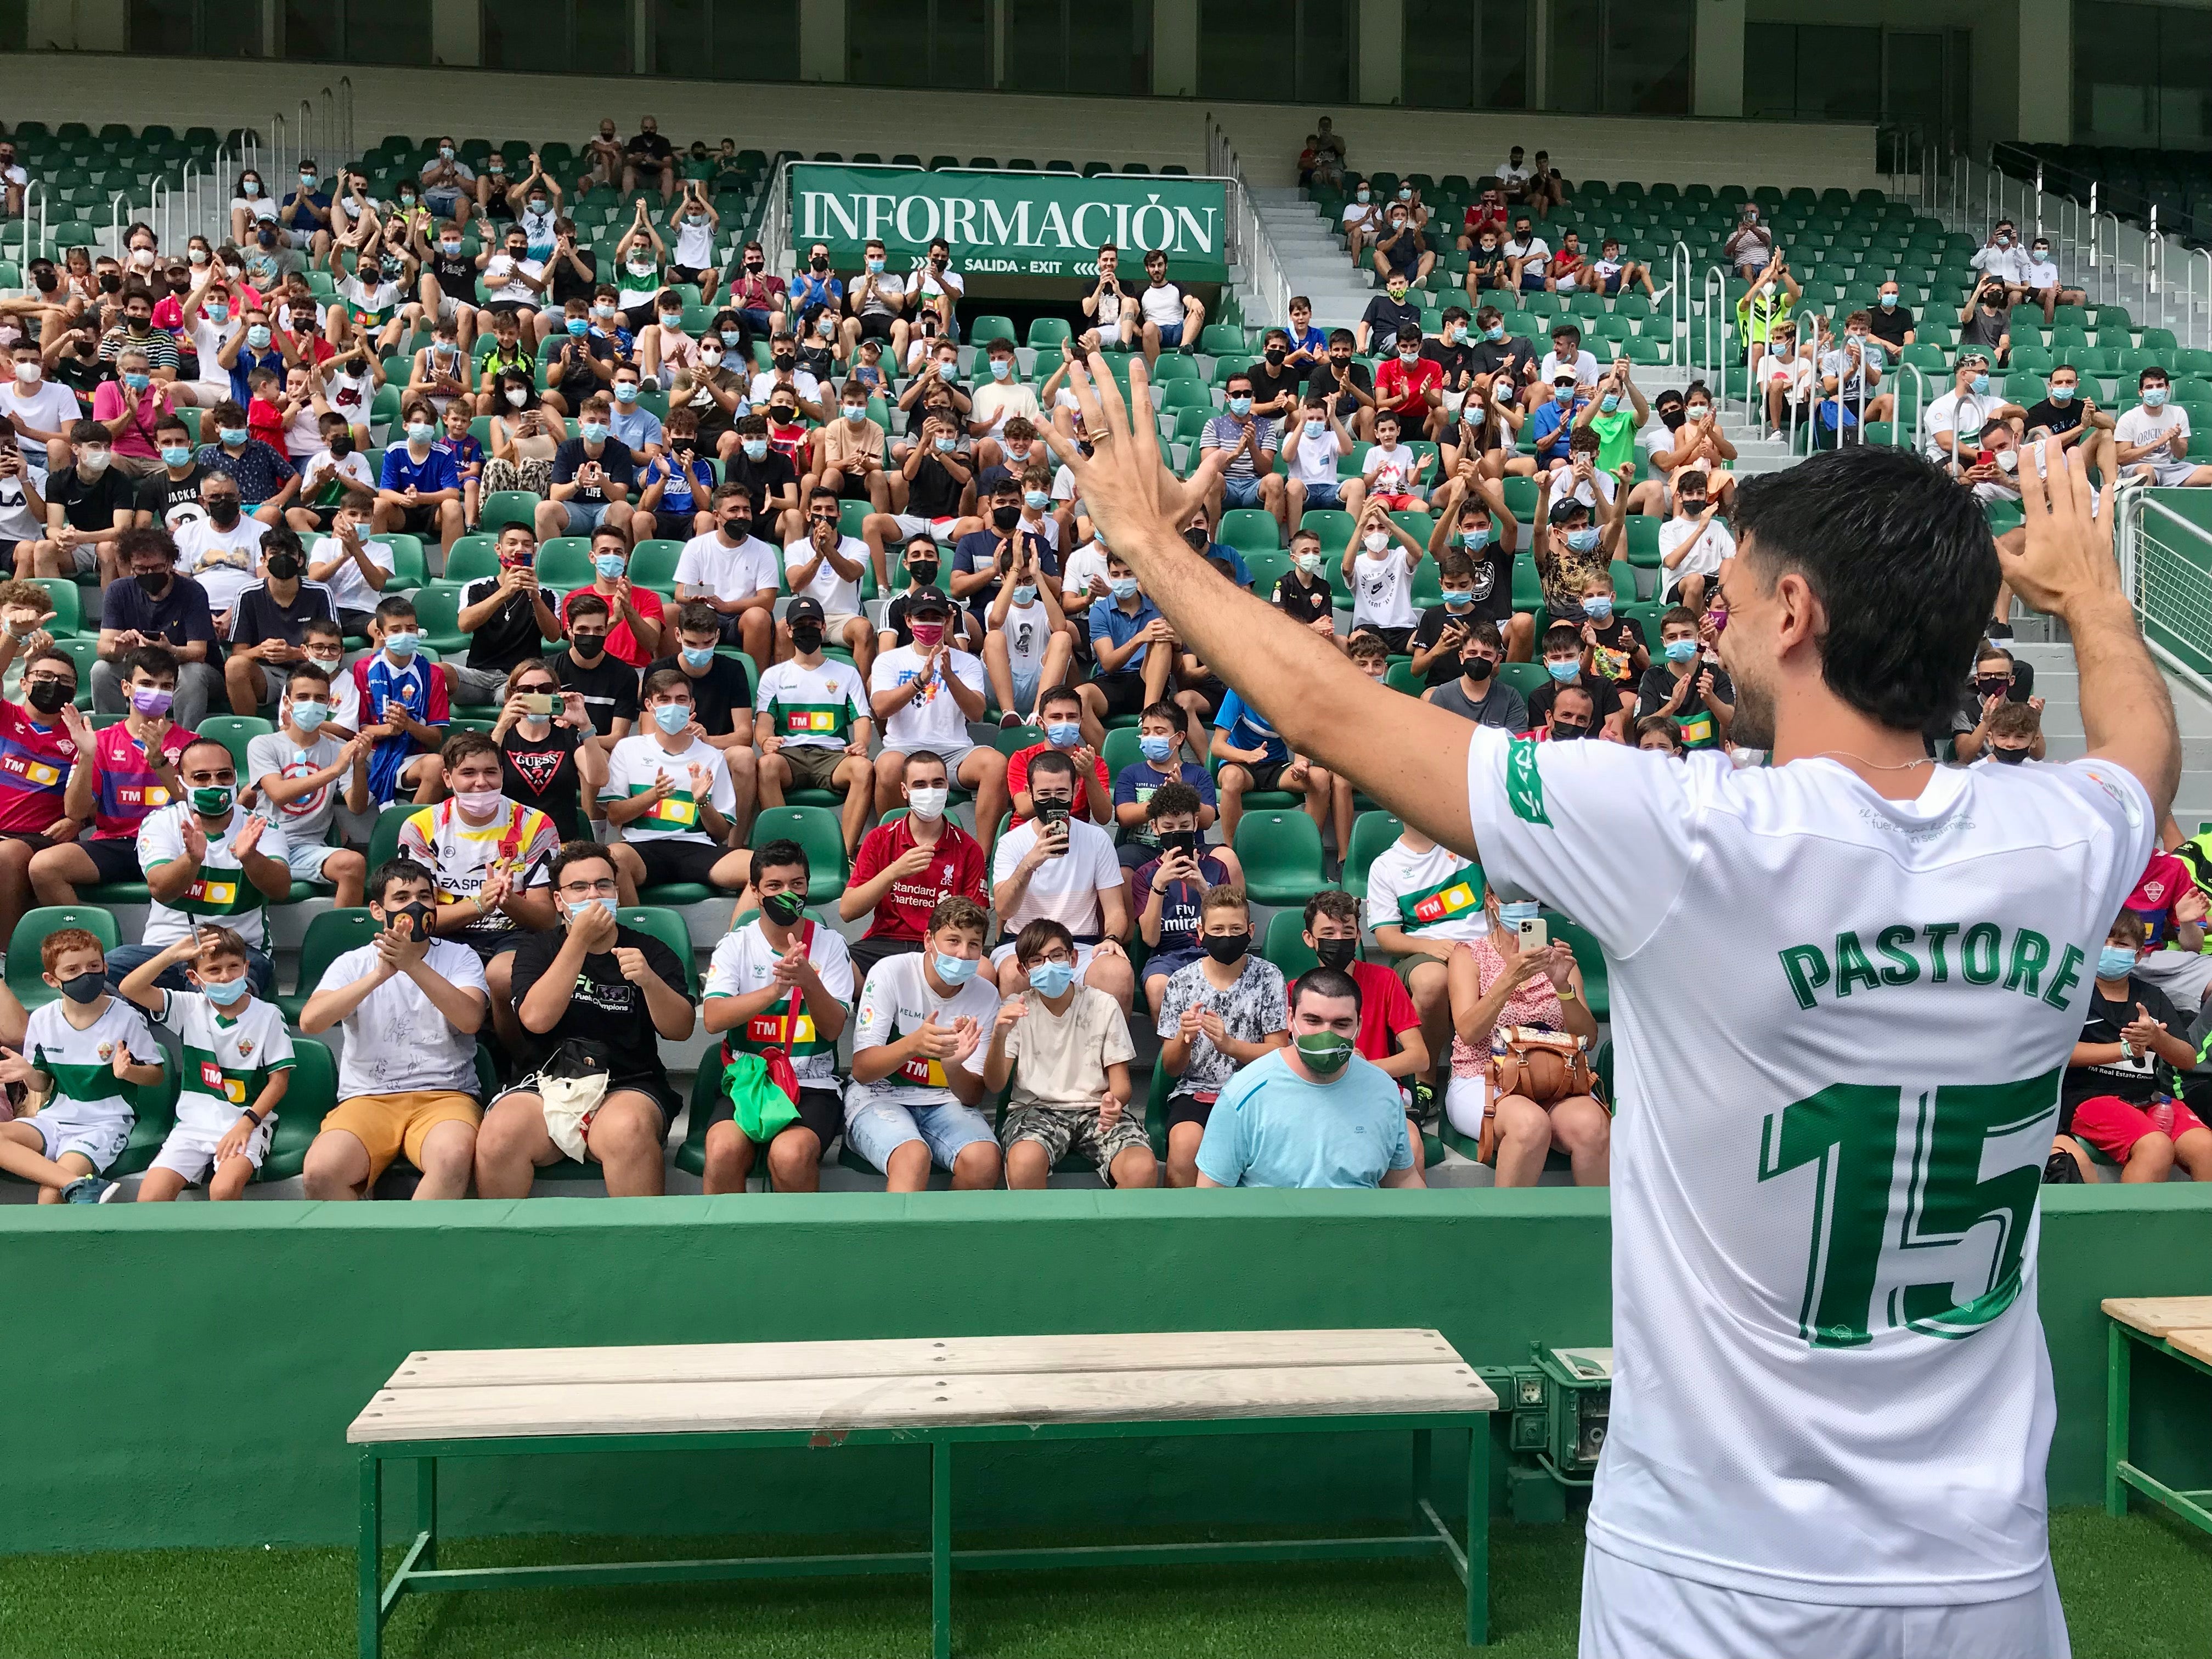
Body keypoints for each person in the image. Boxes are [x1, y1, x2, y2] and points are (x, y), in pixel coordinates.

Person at [1054, 353, 2171, 1654]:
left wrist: (1142, 536)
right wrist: (2096, 602)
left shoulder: (1688, 832)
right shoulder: (2061, 842)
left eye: (1733, 595)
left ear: (1797, 611)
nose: (1714, 619)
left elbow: (1329, 708)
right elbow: (2145, 751)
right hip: (1986, 1589)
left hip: (1714, 1582)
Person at [473, 841, 692, 1198]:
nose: (593, 895)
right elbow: (535, 1020)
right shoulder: (537, 949)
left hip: (627, 1083)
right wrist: (578, 942)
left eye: (603, 885)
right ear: (559, 901)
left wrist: (650, 982)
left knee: (630, 1130)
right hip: (543, 1084)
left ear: (617, 894)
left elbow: (681, 1030)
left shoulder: (650, 950)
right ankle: (503, 1251)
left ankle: (643, 1251)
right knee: (499, 1135)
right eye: (579, 887)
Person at [699, 838, 855, 1194]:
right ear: (755, 892)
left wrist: (808, 983)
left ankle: (797, 1250)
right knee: (722, 1150)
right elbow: (713, 1018)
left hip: (812, 1085)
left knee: (791, 1154)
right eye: (774, 886)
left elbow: (832, 1029)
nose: (788, 893)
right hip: (748, 1081)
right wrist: (775, 991)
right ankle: (725, 1248)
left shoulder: (830, 946)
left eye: (796, 884)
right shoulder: (736, 945)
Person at [1193, 969, 1423, 1191]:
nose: (1326, 1034)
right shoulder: (1243, 1094)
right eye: (1313, 1021)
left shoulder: (1383, 1090)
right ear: (1291, 1019)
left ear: (1359, 1026)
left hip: (1360, 1228)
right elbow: (1211, 1198)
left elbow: (1403, 1181)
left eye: (1341, 1024)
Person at [106, 735, 294, 996]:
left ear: (236, 778)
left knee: (221, 989)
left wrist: (250, 858)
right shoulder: (161, 822)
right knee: (100, 973)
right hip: (168, 949)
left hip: (238, 952)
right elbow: (161, 888)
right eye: (202, 777)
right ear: (182, 783)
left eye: (224, 775)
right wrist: (191, 860)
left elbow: (281, 889)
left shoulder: (261, 826)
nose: (214, 784)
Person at [117, 926, 294, 1203]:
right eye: (214, 970)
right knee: (150, 1198)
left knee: (223, 1191)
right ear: (194, 977)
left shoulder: (268, 1015)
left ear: (247, 969)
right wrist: (172, 954)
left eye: (234, 967)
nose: (226, 977)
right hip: (192, 1126)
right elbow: (130, 987)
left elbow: (279, 1082)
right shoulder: (187, 1006)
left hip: (247, 1122)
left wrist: (247, 1124)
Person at [843, 895, 1002, 1191]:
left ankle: (946, 1238)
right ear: (929, 940)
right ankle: (901, 1239)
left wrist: (953, 1067)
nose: (964, 954)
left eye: (974, 945)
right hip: (878, 1096)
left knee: (984, 1160)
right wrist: (912, 1045)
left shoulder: (986, 995)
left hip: (945, 1101)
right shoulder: (891, 972)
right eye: (953, 941)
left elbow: (972, 1096)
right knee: (912, 1157)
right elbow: (863, 1070)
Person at [985, 917, 1154, 1190]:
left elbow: (1121, 1084)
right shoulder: (1015, 1009)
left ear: (1073, 958)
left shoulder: (1103, 1004)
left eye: (1057, 956)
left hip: (1095, 1109)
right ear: (1023, 969)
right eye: (1037, 960)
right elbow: (995, 1085)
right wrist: (999, 1036)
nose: (1049, 966)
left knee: (1142, 1168)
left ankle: (1110, 1233)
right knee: (1024, 1163)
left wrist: (1115, 1101)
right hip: (1035, 1110)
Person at [0, 928, 163, 1203]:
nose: (86, 975)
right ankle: (81, 1185)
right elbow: (43, 1082)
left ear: (105, 968)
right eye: (73, 970)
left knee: (50, 1196)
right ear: (51, 980)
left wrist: (130, 1072)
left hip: (105, 1124)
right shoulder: (42, 1019)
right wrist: (29, 1074)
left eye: (93, 966)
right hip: (54, 1120)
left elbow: (156, 1075)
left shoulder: (127, 1018)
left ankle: (72, 1190)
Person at [2050, 910, 2205, 1182]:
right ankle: (2126, 1225)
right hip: (2087, 1098)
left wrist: (2158, 1039)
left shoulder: (2152, 996)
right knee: (2156, 1147)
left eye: (2121, 945)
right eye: (2104, 941)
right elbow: (2057, 1053)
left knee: (2207, 1148)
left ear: (2138, 955)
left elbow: (2189, 1059)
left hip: (2149, 1099)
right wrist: (2125, 1049)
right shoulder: (2072, 993)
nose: (2110, 949)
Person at [1155, 885, 1289, 1187]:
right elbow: (1171, 1067)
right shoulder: (1181, 981)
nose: (1226, 936)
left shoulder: (1269, 977)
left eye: (1235, 929)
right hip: (1196, 1091)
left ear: (1250, 931)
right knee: (1184, 1147)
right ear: (1201, 932)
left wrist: (1229, 1045)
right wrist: (1183, 1039)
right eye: (1217, 929)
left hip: (1258, 1091)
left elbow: (1279, 1051)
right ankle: (1182, 1226)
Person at [991, 749, 1133, 1010]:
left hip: (1080, 944)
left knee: (1118, 973)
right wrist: (1029, 863)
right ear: (1030, 792)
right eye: (1044, 795)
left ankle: (1112, 1053)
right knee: (1013, 973)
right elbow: (1004, 908)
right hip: (1024, 943)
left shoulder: (1096, 838)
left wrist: (1111, 938)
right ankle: (1016, 1051)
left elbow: (1115, 911)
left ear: (1075, 790)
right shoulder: (1012, 842)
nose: (1053, 801)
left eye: (1061, 794)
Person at [868, 586, 1008, 848]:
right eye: (922, 618)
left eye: (936, 618)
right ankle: (892, 850)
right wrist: (920, 681)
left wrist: (950, 677)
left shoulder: (966, 662)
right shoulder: (889, 660)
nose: (929, 624)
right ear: (909, 621)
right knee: (887, 768)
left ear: (947, 620)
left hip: (955, 751)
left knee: (996, 763)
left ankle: (984, 856)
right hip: (904, 748)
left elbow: (976, 713)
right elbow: (881, 708)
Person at [841, 748, 992, 981]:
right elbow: (847, 911)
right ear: (905, 791)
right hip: (886, 940)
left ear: (947, 789)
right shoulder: (880, 838)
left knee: (984, 971)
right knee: (836, 966)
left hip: (941, 945)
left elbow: (977, 921)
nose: (930, 792)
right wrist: (893, 872)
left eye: (937, 783)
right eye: (920, 785)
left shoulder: (968, 848)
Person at [603, 669, 750, 895]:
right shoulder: (628, 749)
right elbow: (614, 816)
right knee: (612, 860)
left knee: (762, 868)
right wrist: (653, 795)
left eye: (681, 700)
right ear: (650, 706)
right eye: (664, 699)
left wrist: (702, 802)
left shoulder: (712, 755)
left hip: (697, 848)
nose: (673, 706)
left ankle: (738, 932)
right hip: (643, 847)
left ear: (691, 705)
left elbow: (721, 833)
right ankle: (632, 929)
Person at [754, 595, 874, 851]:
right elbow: (764, 723)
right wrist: (766, 741)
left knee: (863, 769)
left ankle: (843, 853)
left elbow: (862, 718)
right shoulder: (774, 676)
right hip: (790, 755)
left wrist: (861, 744)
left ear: (823, 628)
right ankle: (785, 852)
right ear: (789, 631)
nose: (806, 630)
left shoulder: (846, 672)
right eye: (800, 625)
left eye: (813, 623)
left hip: (833, 756)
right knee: (766, 765)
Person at [247, 665, 370, 905]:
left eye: (320, 698)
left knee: (353, 864)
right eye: (303, 697)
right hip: (265, 843)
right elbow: (279, 794)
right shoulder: (263, 744)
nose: (312, 704)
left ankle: (336, 942)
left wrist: (358, 765)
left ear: (328, 704)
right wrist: (335, 770)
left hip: (309, 847)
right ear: (287, 702)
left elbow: (356, 807)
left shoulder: (337, 750)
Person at [490, 661, 606, 844]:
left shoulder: (568, 738)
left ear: (556, 693)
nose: (536, 695)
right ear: (513, 696)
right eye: (526, 690)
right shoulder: (499, 738)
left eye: (545, 689)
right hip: (509, 843)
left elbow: (599, 778)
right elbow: (481, 774)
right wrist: (503, 725)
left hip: (562, 843)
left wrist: (585, 725)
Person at [674, 483, 780, 660]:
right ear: (717, 516)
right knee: (670, 612)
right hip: (703, 613)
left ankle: (754, 683)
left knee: (759, 617)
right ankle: (672, 677)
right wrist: (697, 595)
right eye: (734, 510)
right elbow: (680, 592)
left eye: (746, 510)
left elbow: (767, 601)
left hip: (741, 619)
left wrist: (726, 607)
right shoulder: (697, 546)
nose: (742, 516)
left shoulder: (763, 550)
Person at [1634, 607, 1735, 753]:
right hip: (1669, 759)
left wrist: (1710, 698)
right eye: (1673, 637)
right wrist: (1672, 705)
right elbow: (1642, 728)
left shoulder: (1714, 673)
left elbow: (1731, 722)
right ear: (1664, 642)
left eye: (1686, 635)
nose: (1680, 641)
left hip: (1708, 759)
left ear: (1699, 637)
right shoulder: (1654, 676)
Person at [1423, 616, 1528, 730]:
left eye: (1486, 654)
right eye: (1472, 653)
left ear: (1497, 660)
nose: (1478, 658)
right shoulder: (1442, 696)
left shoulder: (1511, 698)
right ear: (1462, 657)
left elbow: (1515, 742)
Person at [2115, 368, 2212, 488]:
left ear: (2167, 388)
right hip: (2136, 468)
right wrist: (2156, 444)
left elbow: (2181, 455)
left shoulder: (2178, 413)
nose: (2155, 391)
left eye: (2160, 386)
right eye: (2150, 387)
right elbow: (2122, 458)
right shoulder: (2129, 418)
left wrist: (2174, 440)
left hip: (2168, 469)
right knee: (2147, 471)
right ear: (2141, 392)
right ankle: (2143, 507)